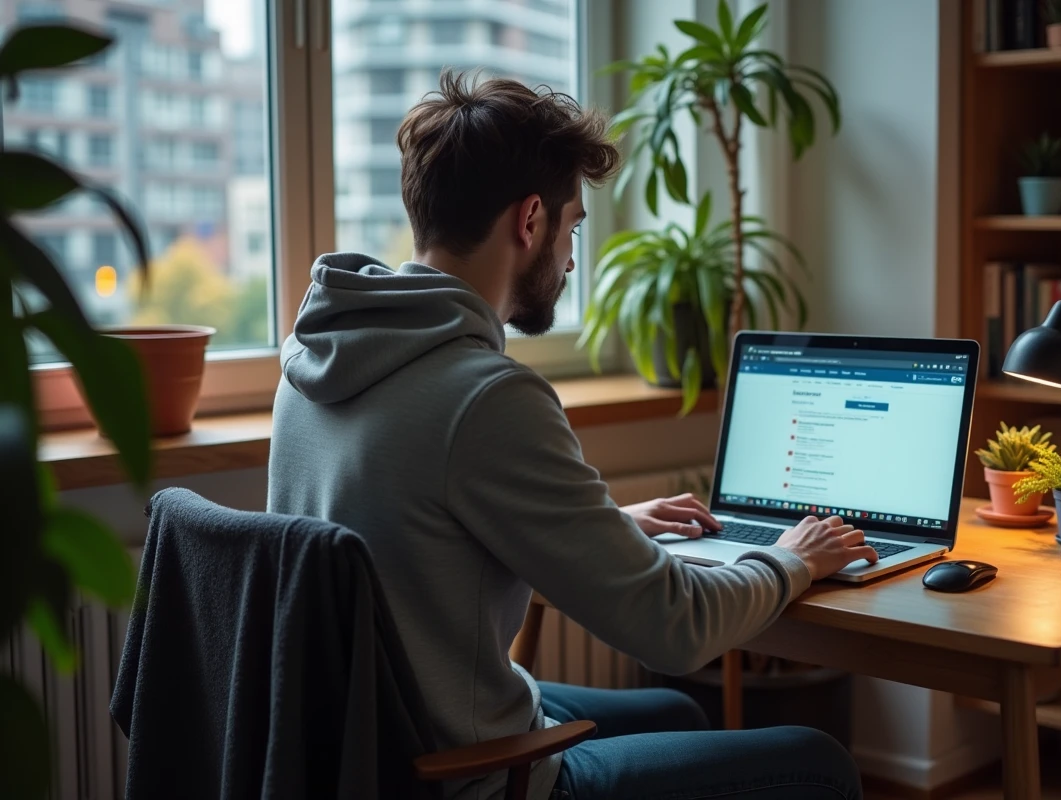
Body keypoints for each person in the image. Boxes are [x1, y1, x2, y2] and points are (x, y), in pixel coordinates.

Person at [267, 70, 875, 800]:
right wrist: (794, 560)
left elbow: (415, 538)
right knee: (818, 764)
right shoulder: (486, 396)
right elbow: (673, 628)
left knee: (677, 713)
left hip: (361, 750)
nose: (571, 258)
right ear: (530, 222)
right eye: (573, 226)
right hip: (462, 778)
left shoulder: (319, 356)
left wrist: (610, 527)